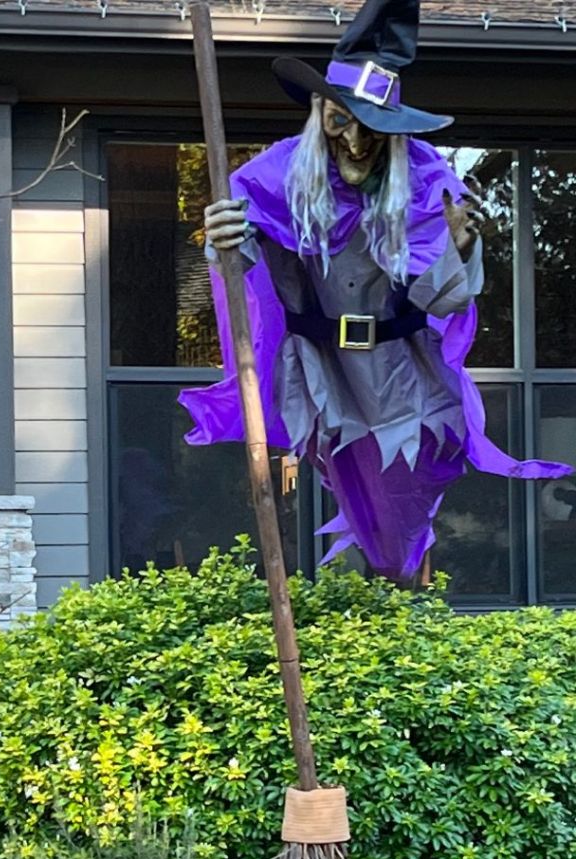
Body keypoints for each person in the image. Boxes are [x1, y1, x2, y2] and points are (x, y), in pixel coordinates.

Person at [178, 0, 571, 582]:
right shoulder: (275, 175)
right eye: (343, 122)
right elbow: (242, 264)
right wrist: (225, 239)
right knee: (349, 481)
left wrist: (460, 249)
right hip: (321, 364)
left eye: (375, 128)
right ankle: (372, 592)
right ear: (320, 113)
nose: (358, 143)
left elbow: (445, 299)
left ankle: (400, 586)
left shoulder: (428, 179)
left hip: (399, 369)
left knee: (403, 498)